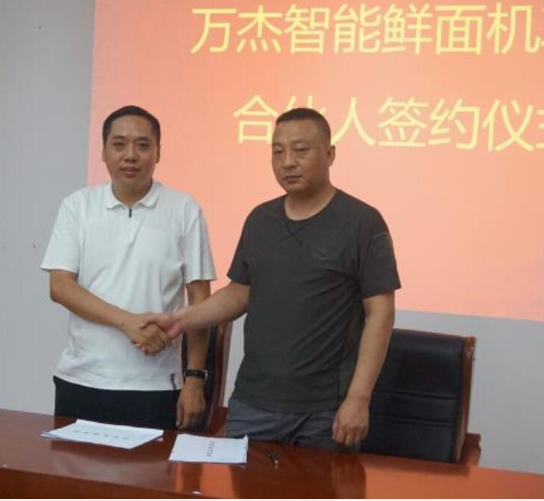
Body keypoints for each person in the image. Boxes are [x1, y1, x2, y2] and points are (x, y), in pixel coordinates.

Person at [147, 107, 401, 449]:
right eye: (278, 152)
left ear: (330, 154)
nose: (288, 162)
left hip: (326, 410)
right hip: (253, 403)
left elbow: (381, 314)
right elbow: (239, 294)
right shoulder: (260, 219)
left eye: (301, 150)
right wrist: (180, 319)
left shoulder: (362, 222)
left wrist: (359, 398)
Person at [41, 105, 216, 430]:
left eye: (143, 145)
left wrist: (194, 378)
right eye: (119, 144)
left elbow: (200, 301)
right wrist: (127, 322)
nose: (130, 155)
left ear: (158, 152)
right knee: (72, 465)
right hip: (82, 379)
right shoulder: (77, 206)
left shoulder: (184, 209)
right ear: (104, 152)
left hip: (156, 385)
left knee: (153, 465)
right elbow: (60, 287)